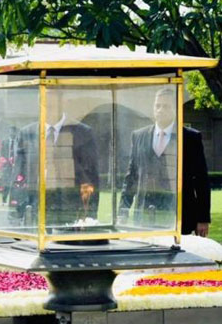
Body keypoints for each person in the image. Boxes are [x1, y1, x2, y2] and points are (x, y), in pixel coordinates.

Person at [120, 88, 211, 236]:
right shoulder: (138, 136)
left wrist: (203, 219)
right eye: (157, 106)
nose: (160, 110)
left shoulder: (191, 138)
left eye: (166, 106)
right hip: (144, 217)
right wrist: (123, 211)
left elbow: (201, 180)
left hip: (181, 217)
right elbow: (131, 178)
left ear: (175, 109)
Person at [11, 91, 100, 225]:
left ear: (63, 104)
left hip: (71, 211)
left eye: (52, 106)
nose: (48, 110)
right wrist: (15, 216)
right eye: (45, 105)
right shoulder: (27, 134)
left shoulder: (83, 133)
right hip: (36, 210)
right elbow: (18, 175)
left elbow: (91, 176)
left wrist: (90, 216)